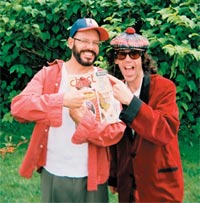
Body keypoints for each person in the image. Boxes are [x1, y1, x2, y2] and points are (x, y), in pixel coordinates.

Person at [11, 18, 126, 203]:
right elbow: (19, 107)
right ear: (70, 42)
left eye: (95, 43)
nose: (91, 47)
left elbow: (115, 132)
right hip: (54, 173)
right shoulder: (49, 75)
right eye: (84, 41)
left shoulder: (104, 80)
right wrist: (62, 100)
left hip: (93, 177)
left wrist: (82, 121)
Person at [107, 27, 184, 202]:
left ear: (143, 59)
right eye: (121, 55)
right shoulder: (114, 90)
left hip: (160, 185)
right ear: (116, 61)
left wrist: (132, 102)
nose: (127, 60)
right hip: (128, 185)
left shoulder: (165, 88)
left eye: (134, 54)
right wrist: (114, 176)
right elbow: (115, 140)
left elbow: (165, 130)